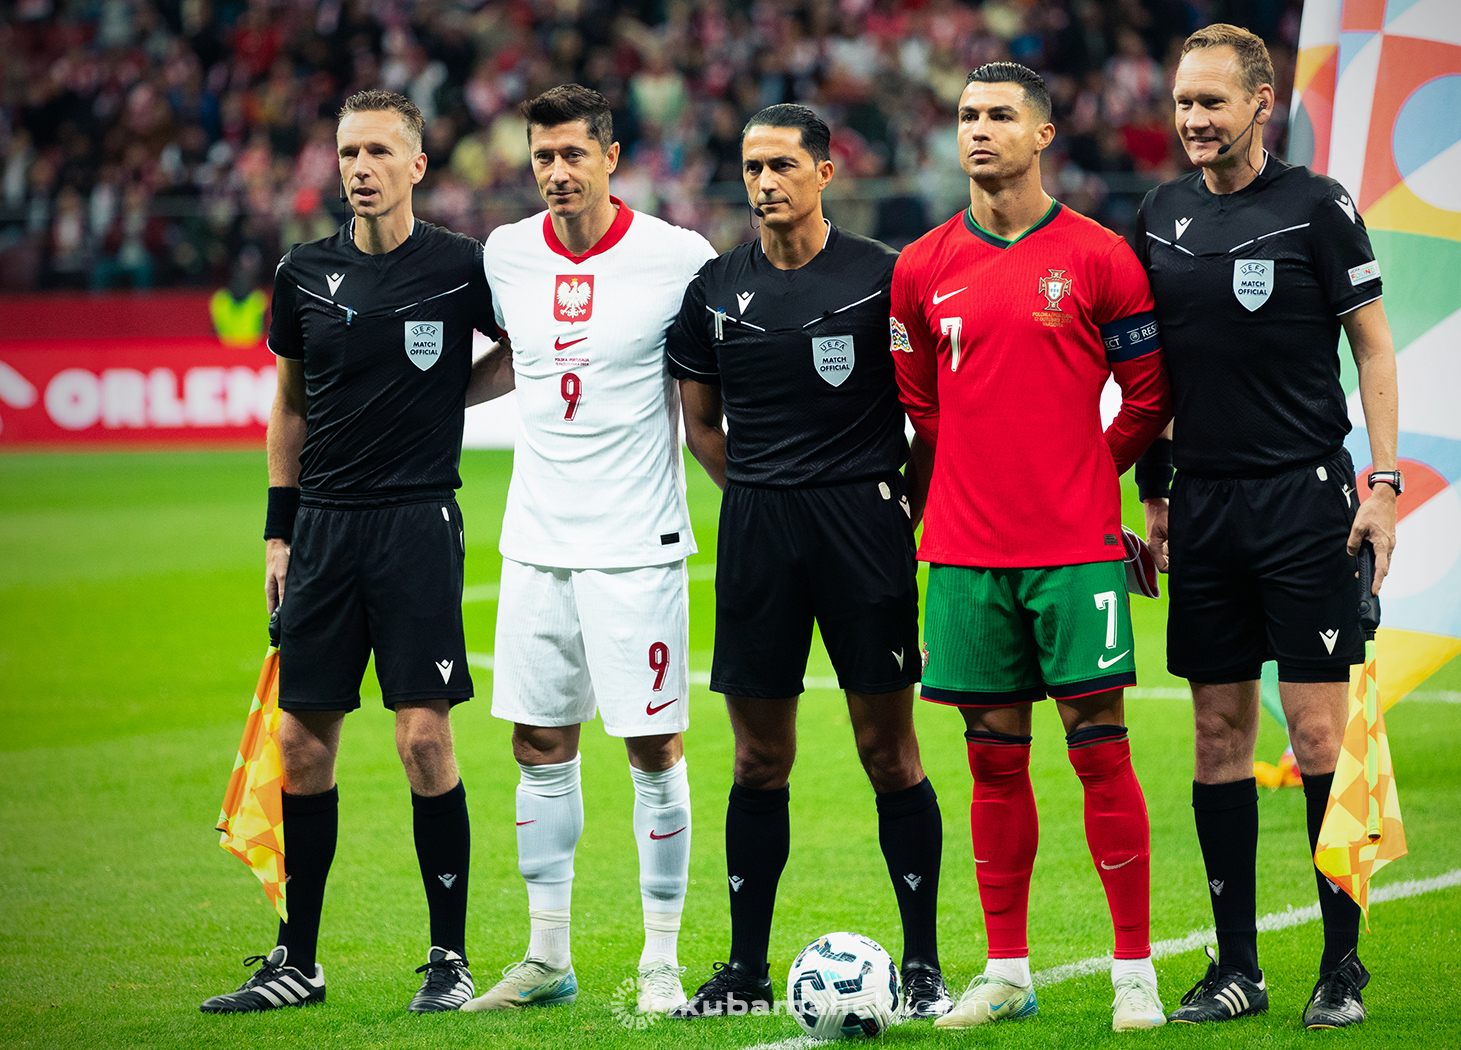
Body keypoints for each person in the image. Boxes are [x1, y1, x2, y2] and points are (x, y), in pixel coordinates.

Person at [200, 90, 501, 1015]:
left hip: (415, 522)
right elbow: (287, 406)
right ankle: (299, 958)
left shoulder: (460, 266)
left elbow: (526, 354)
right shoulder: (303, 272)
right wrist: (276, 530)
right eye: (347, 153)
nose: (358, 168)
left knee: (422, 737)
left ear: (417, 165)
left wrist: (446, 395)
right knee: (301, 742)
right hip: (323, 528)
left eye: (377, 151)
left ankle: (448, 959)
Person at [890, 62, 1172, 1032]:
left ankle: (1133, 970)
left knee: (1099, 751)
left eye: (1000, 116)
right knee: (990, 760)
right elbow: (920, 401)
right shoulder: (921, 266)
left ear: (1043, 135)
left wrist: (1085, 468)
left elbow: (1147, 392)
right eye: (967, 116)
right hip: (963, 552)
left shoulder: (1098, 256)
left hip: (1074, 547)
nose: (979, 130)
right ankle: (1005, 969)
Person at [1132, 24, 1400, 1030]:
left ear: (1260, 101)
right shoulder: (1156, 220)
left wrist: (1382, 483)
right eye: (1182, 102)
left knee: (1319, 728)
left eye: (1212, 101)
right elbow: (1147, 381)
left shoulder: (1317, 210)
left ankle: (1341, 964)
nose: (1194, 120)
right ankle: (1235, 966)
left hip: (1304, 502)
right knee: (1214, 733)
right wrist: (1152, 499)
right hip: (1201, 506)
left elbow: (1371, 347)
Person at [664, 104, 951, 1021]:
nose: (764, 182)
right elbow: (701, 425)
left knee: (888, 750)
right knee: (758, 759)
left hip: (862, 526)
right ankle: (745, 971)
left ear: (826, 172)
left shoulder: (881, 278)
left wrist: (897, 501)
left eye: (783, 164)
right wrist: (752, 491)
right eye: (751, 167)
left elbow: (931, 415)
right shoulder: (713, 291)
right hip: (758, 532)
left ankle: (922, 962)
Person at [457, 84, 715, 1017]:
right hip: (535, 542)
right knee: (538, 743)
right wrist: (435, 402)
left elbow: (712, 377)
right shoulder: (506, 252)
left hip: (636, 543)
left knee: (652, 745)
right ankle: (546, 955)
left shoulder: (678, 257)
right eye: (541, 157)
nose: (556, 172)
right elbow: (518, 355)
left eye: (573, 154)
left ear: (610, 157)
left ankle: (660, 959)